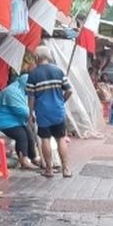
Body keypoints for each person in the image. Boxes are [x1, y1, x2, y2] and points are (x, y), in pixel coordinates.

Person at [27, 45, 74, 179]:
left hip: (42, 112)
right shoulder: (58, 71)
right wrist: (61, 101)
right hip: (58, 110)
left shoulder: (33, 74)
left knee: (45, 139)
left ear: (37, 57)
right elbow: (69, 90)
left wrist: (31, 113)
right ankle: (66, 169)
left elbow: (31, 96)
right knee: (60, 139)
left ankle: (49, 169)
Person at [0, 70, 39, 170]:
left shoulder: (22, 91)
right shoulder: (12, 92)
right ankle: (24, 160)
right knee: (21, 135)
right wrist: (33, 114)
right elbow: (25, 112)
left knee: (29, 133)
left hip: (15, 120)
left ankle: (33, 157)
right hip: (3, 121)